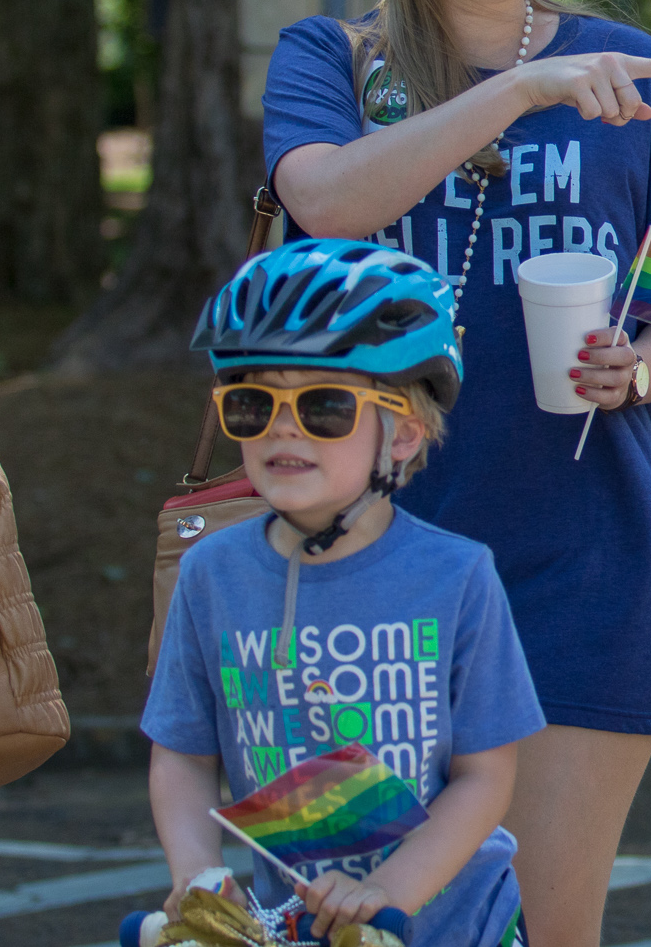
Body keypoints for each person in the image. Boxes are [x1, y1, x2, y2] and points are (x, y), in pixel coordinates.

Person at [261, 0, 651, 946]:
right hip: (361, 567)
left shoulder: (635, 79)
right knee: (356, 932)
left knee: (551, 931)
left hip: (584, 565)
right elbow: (329, 197)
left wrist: (636, 372)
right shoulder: (332, 62)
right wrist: (515, 88)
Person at [144, 240, 545, 946]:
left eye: (324, 404)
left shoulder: (457, 577)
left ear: (403, 433)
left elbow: (485, 776)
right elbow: (182, 752)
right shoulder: (213, 574)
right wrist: (199, 878)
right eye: (250, 402)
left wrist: (385, 893)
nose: (282, 426)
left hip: (456, 923)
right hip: (299, 923)